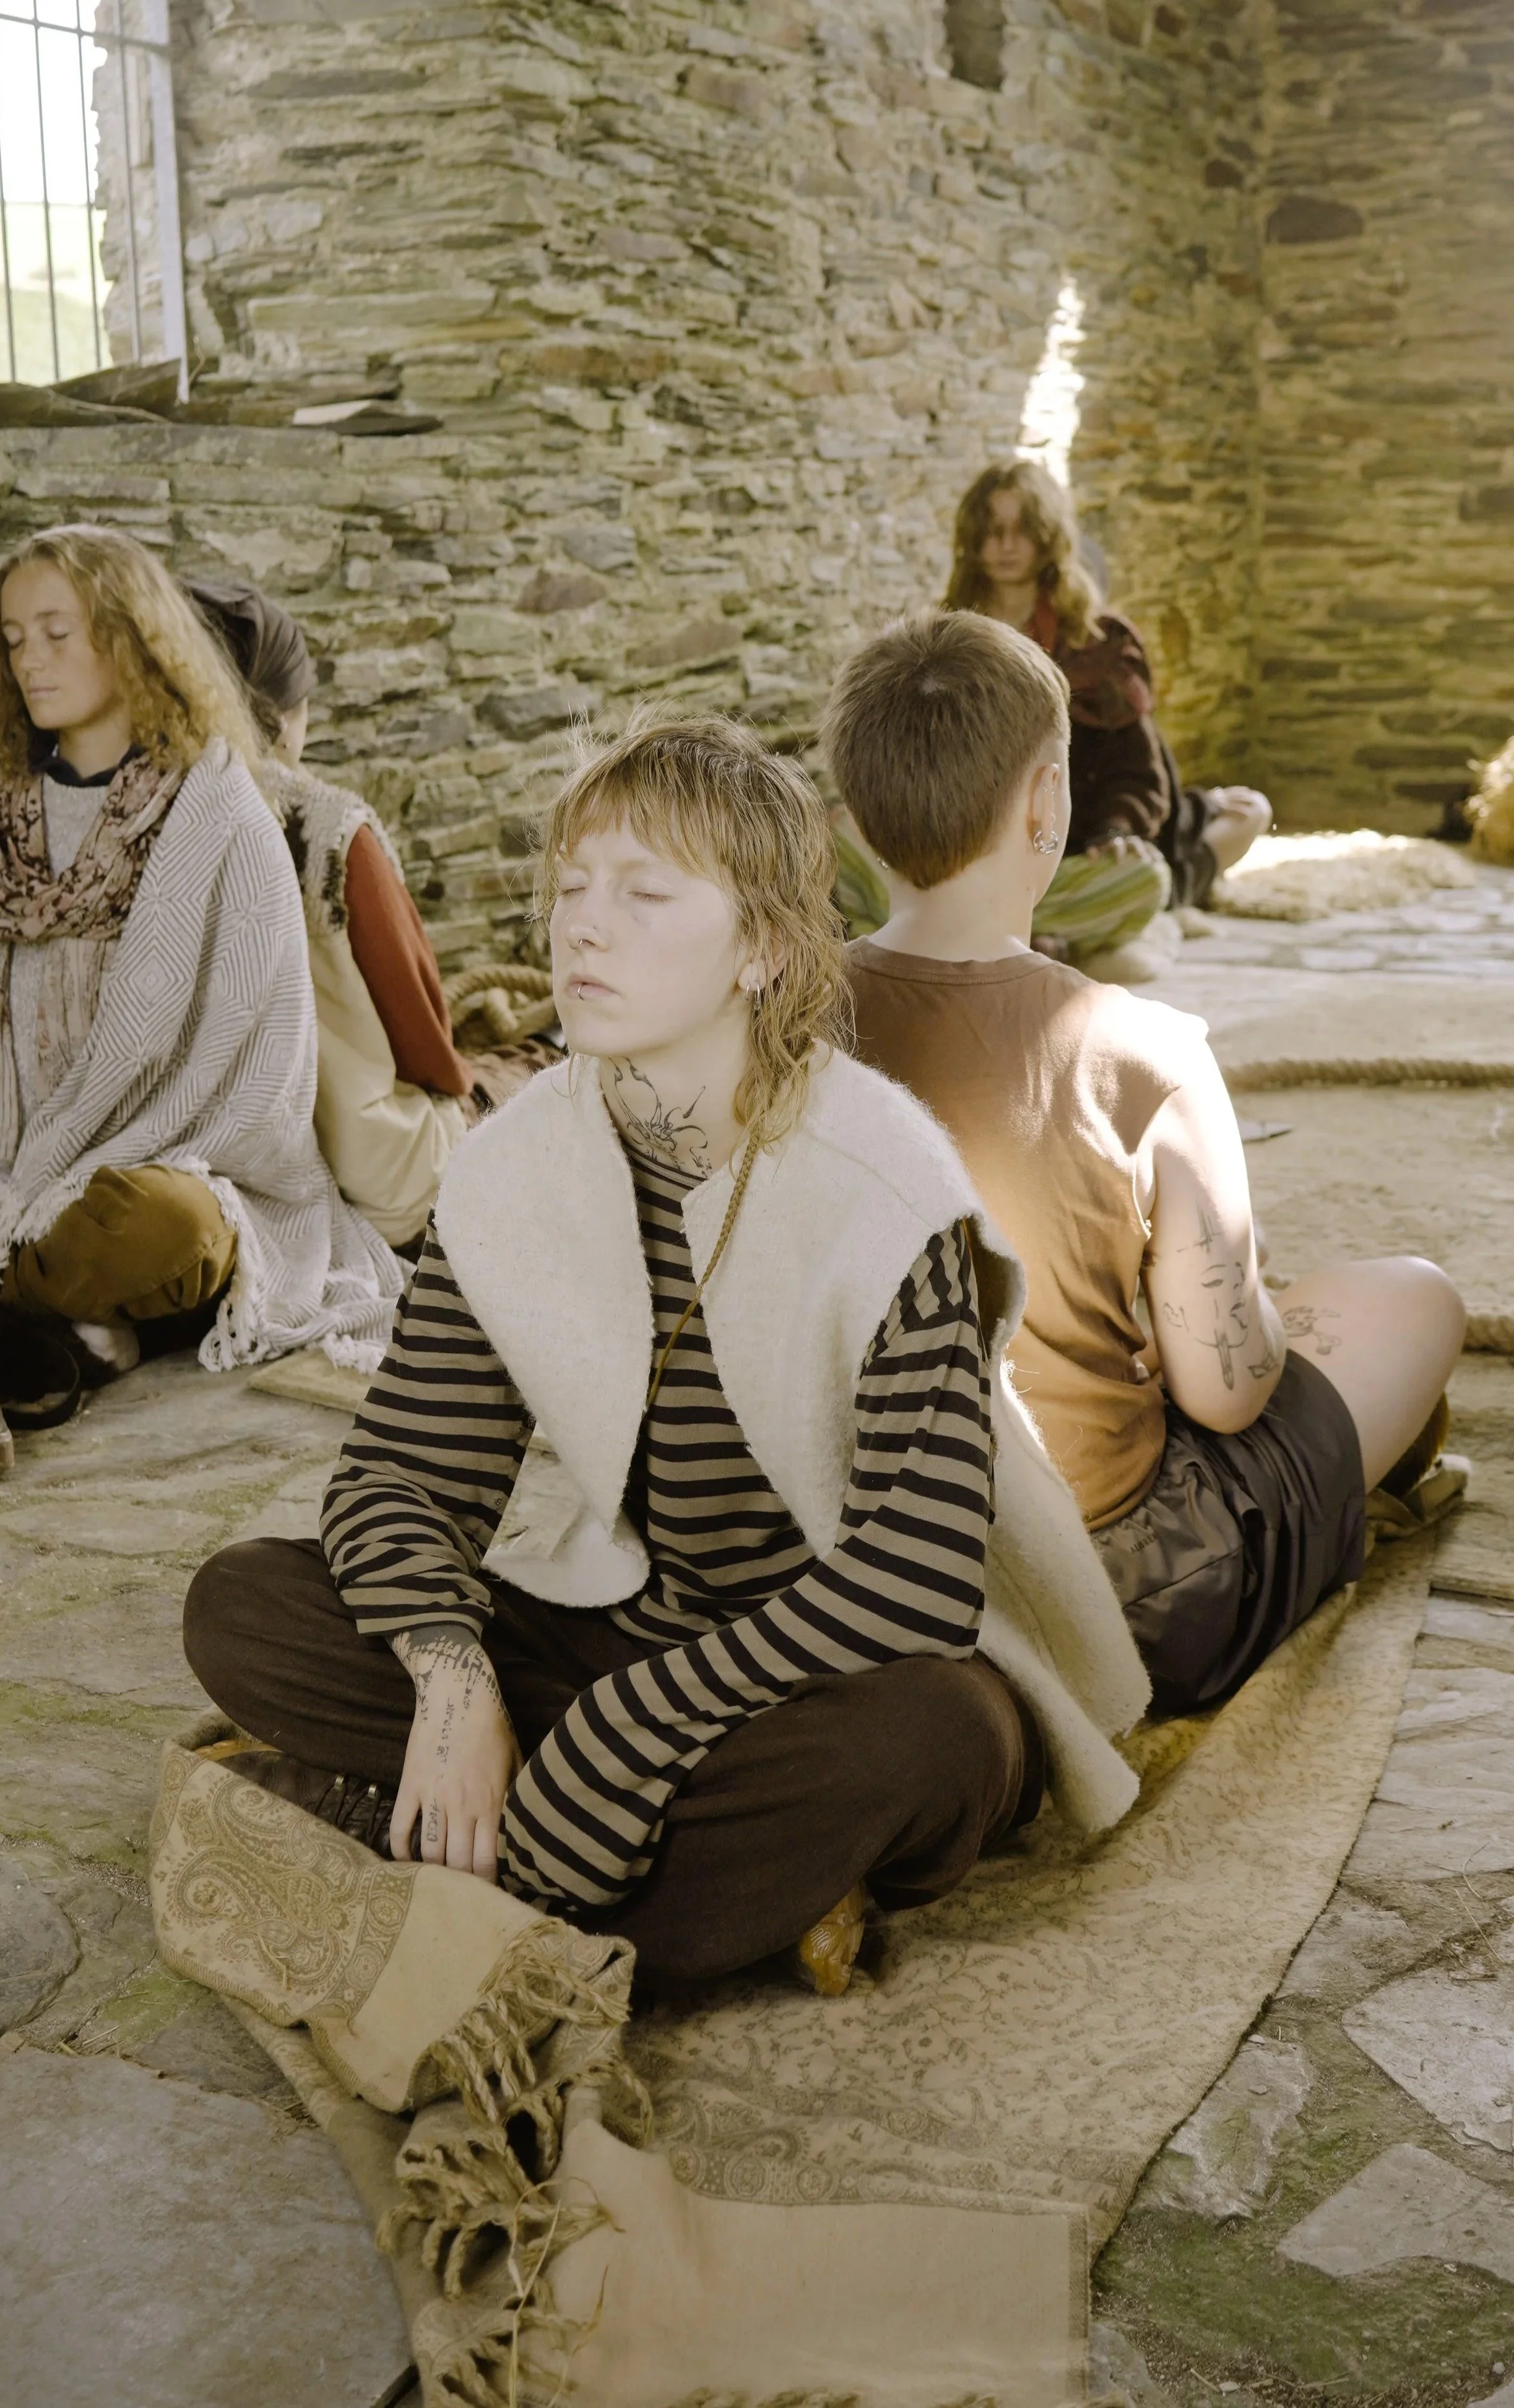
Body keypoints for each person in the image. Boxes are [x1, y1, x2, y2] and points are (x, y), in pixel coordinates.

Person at [181, 713, 1150, 1994]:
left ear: (760, 949)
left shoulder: (883, 1180)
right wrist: (454, 1675)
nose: (580, 927)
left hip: (841, 1661)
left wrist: (626, 1731)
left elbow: (910, 1579)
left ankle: (475, 1879)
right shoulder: (519, 1165)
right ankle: (710, 1886)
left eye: (642, 894)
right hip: (627, 1623)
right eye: (571, 889)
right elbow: (397, 1475)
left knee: (935, 1748)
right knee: (245, 1602)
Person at [832, 609, 1467, 1717]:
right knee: (1413, 1297)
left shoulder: (775, 1027)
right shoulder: (1150, 1052)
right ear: (1046, 805)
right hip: (1110, 1597)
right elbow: (1226, 1395)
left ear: (851, 818)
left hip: (845, 1579)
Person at [0, 524, 404, 1482]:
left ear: (131, 636)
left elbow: (257, 1069)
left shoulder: (218, 819)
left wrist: (39, 1188)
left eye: (58, 632)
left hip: (135, 1171)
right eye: (13, 638)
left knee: (166, 1229)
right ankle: (50, 1336)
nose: (30, 660)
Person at [187, 581, 477, 1251]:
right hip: (358, 1167)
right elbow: (421, 1031)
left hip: (203, 1160)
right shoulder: (330, 829)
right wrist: (461, 1087)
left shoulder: (147, 813)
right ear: (288, 711)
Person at [945, 460, 1271, 965]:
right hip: (995, 846)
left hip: (1096, 834)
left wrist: (1116, 832)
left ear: (1048, 536)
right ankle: (1093, 919)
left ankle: (1131, 904)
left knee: (1249, 812)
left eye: (1022, 531)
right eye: (992, 532)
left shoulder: (1101, 640)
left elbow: (1138, 770)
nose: (1005, 547)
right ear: (973, 539)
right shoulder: (951, 640)